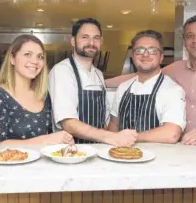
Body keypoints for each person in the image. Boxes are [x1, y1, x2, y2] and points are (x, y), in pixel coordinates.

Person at [105, 15, 196, 145]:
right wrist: (101, 82)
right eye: (190, 36)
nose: (195, 40)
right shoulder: (176, 69)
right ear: (184, 41)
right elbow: (144, 74)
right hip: (183, 146)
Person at [49, 18, 137, 146]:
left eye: (96, 38)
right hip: (71, 152)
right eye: (85, 37)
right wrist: (110, 137)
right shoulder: (62, 71)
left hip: (98, 149)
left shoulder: (99, 75)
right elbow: (68, 122)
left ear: (101, 42)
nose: (91, 42)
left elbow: (104, 119)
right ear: (73, 41)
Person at [0, 34, 74, 145]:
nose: (35, 61)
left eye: (40, 57)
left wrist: (64, 139)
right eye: (28, 54)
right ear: (12, 59)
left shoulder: (43, 96)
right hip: (12, 162)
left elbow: (51, 137)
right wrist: (45, 139)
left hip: (42, 162)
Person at [108, 30, 186, 144]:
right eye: (139, 50)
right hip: (122, 155)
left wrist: (129, 138)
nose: (145, 54)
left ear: (161, 57)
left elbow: (171, 133)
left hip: (159, 158)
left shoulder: (173, 90)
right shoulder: (123, 88)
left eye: (152, 50)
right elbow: (114, 124)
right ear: (133, 56)